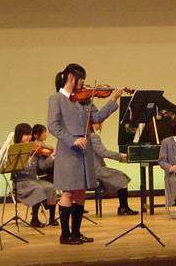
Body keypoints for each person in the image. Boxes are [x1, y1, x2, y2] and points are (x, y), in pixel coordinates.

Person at [47, 63, 123, 245]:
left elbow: (96, 118)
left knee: (81, 191)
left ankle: (76, 233)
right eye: (80, 78)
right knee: (68, 191)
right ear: (71, 77)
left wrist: (113, 100)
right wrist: (73, 140)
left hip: (84, 151)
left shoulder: (84, 99)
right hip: (69, 151)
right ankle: (65, 235)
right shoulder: (56, 99)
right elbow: (53, 126)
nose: (83, 83)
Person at [12, 123, 60, 227]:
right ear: (19, 135)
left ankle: (52, 217)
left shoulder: (35, 150)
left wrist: (51, 157)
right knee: (39, 189)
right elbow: (11, 168)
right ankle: (34, 219)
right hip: (21, 182)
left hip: (33, 180)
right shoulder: (14, 150)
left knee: (51, 187)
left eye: (30, 135)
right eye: (26, 135)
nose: (29, 137)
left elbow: (42, 166)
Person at [90, 121, 138, 215]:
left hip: (93, 169)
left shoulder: (88, 136)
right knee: (122, 177)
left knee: (120, 176)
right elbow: (103, 152)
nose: (102, 124)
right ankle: (123, 207)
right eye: (100, 122)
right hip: (95, 170)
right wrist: (120, 155)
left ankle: (123, 207)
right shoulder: (93, 136)